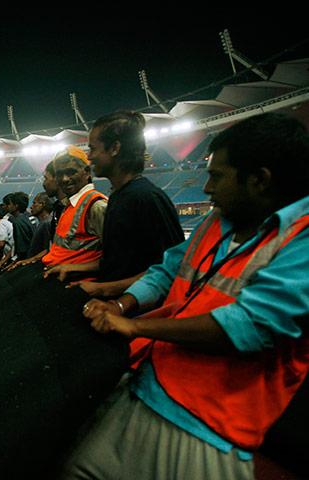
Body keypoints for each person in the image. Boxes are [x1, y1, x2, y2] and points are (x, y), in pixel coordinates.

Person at [61, 113, 309, 480]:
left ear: (259, 180)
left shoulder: (301, 242)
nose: (206, 189)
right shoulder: (217, 221)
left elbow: (249, 326)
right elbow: (165, 270)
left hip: (209, 425)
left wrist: (134, 326)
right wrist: (120, 304)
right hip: (147, 384)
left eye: (216, 176)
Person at [53, 110, 184, 297]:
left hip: (137, 315)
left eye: (94, 149)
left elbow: (171, 269)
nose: (89, 157)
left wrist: (103, 289)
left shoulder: (146, 198)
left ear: (114, 148)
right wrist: (73, 268)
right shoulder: (118, 197)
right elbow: (116, 261)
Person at [40, 146, 108, 280]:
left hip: (79, 285)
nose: (65, 179)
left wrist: (72, 267)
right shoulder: (72, 204)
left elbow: (120, 258)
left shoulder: (96, 206)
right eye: (60, 174)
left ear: (86, 172)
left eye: (71, 172)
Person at [5, 192, 55, 271]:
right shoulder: (42, 223)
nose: (31, 207)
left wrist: (29, 260)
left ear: (42, 204)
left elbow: (49, 250)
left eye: (34, 203)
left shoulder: (47, 223)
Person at [4, 191, 36, 261]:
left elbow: (22, 250)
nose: (6, 207)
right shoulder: (24, 218)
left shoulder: (18, 222)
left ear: (15, 206)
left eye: (9, 204)